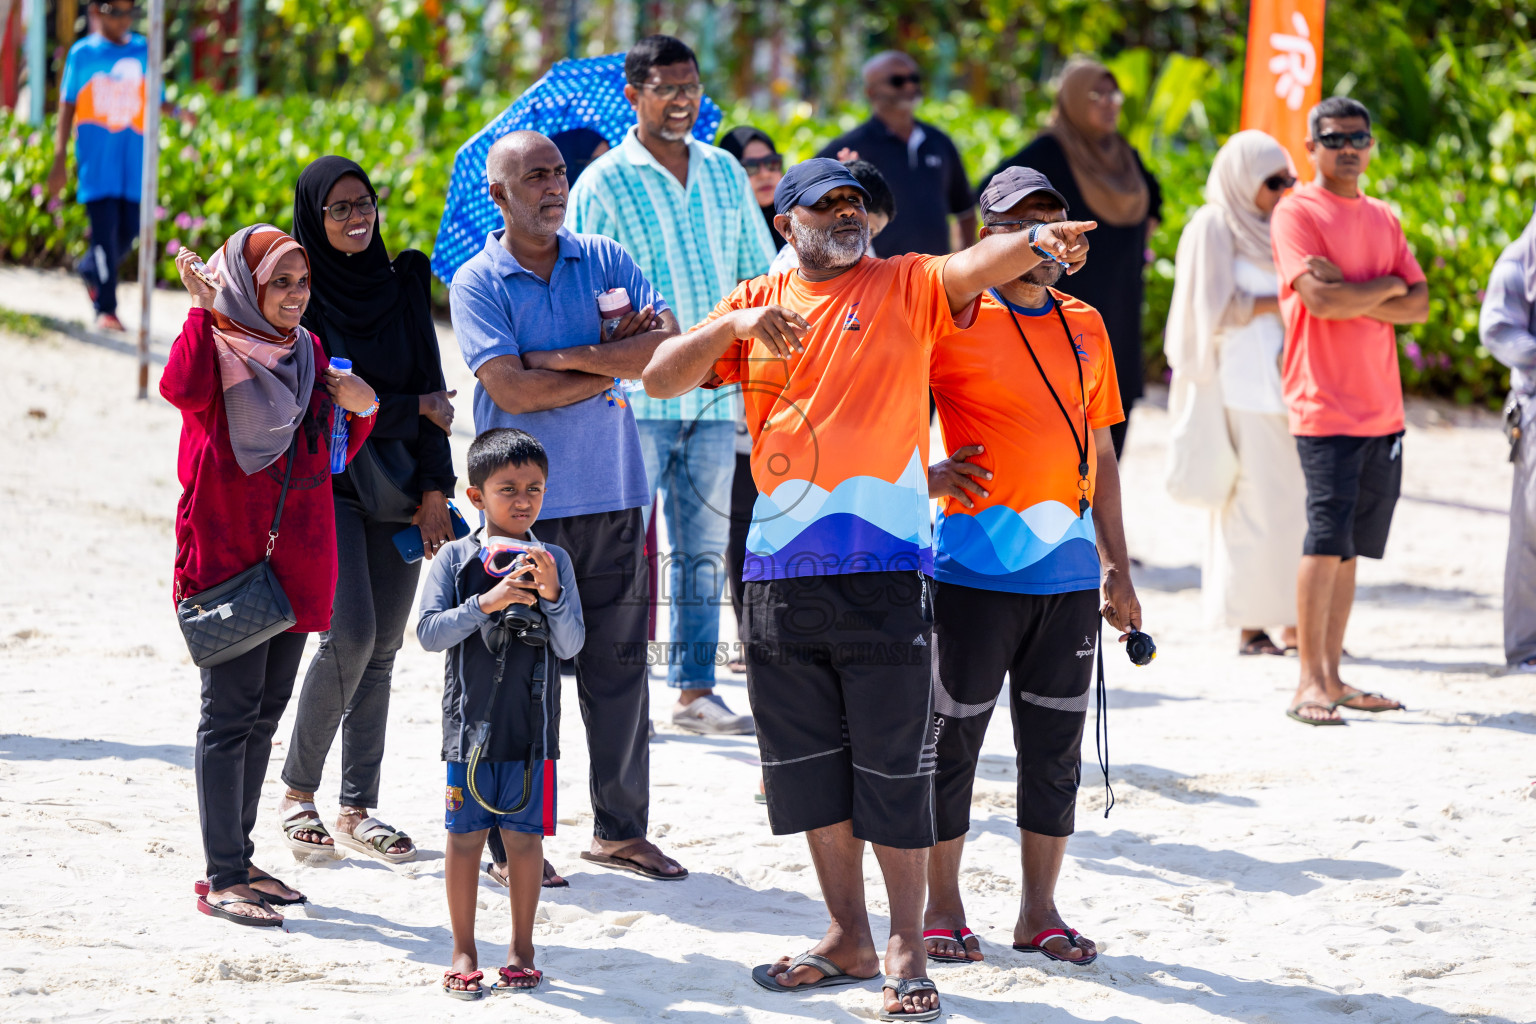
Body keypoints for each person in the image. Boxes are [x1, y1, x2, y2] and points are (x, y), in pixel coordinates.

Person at [643, 157, 1095, 1023]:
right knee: (809, 768)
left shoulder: (905, 284)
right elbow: (660, 376)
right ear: (788, 222)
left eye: (856, 203)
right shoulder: (758, 297)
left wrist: (1036, 238)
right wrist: (736, 325)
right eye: (827, 205)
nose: (847, 215)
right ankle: (847, 935)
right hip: (779, 571)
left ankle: (906, 945)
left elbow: (974, 265)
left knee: (894, 761)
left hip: (887, 570)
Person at [450, 129, 689, 881]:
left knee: (621, 673)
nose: (554, 187)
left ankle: (620, 830)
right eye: (534, 177)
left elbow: (664, 353)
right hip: (522, 513)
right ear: (499, 194)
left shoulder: (607, 258)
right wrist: (605, 364)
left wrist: (557, 357)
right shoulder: (477, 281)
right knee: (520, 679)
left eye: (558, 173)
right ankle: (512, 839)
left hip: (618, 495)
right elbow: (512, 394)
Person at [922, 167, 1136, 967]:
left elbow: (1103, 451)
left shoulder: (1086, 321)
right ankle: (942, 908)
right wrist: (926, 477)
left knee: (1055, 750)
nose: (1043, 234)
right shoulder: (954, 315)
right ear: (991, 237)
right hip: (973, 571)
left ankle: (1038, 912)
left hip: (1071, 574)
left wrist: (1119, 568)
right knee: (952, 747)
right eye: (1023, 223)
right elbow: (891, 410)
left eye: (1053, 218)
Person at [162, 226, 379, 926]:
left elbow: (329, 447)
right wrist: (200, 309)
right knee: (227, 717)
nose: (293, 295)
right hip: (226, 558)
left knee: (262, 716)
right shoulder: (216, 346)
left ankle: (241, 856)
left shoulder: (309, 352)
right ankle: (221, 874)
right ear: (247, 287)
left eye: (301, 282)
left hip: (296, 557)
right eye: (278, 282)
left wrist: (361, 404)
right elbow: (181, 389)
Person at [569, 35, 775, 734]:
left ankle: (694, 692)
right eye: (667, 88)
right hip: (633, 399)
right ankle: (619, 685)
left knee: (701, 548)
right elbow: (580, 286)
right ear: (633, 96)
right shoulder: (601, 183)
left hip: (716, 395)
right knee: (626, 548)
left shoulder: (723, 171)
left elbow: (758, 271)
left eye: (691, 87)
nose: (683, 100)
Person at [275, 156, 459, 865]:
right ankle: (297, 793)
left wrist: (437, 492)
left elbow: (433, 396)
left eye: (365, 204)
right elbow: (320, 406)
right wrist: (404, 407)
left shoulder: (405, 281)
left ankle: (357, 808)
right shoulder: (302, 296)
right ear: (314, 217)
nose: (357, 219)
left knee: (383, 649)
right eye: (340, 209)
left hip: (405, 488)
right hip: (334, 489)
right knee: (348, 636)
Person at [1271, 97, 1427, 725]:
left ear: (1371, 144)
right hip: (1325, 403)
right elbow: (1321, 303)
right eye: (1334, 138)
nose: (1348, 148)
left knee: (1351, 547)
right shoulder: (1296, 211)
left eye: (1358, 137)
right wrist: (1385, 286)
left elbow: (1417, 305)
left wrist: (1368, 288)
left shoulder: (1384, 216)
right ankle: (1307, 681)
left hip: (1382, 408)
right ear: (1311, 148)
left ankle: (1334, 677)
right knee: (1324, 537)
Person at [417, 428, 585, 999]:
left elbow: (570, 646)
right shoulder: (457, 559)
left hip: (532, 732)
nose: (522, 500)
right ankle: (463, 948)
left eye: (534, 489)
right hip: (468, 731)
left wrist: (553, 592)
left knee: (524, 841)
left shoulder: (552, 557)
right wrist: (487, 602)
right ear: (475, 496)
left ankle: (522, 948)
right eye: (507, 488)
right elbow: (428, 633)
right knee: (463, 839)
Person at [1165, 131, 1305, 656]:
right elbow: (1211, 308)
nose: (1283, 191)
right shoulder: (1214, 224)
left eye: (1289, 180)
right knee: (1249, 505)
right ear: (1244, 179)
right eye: (1273, 182)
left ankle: (1294, 621)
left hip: (1289, 382)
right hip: (1240, 383)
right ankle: (1250, 626)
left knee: (1294, 505)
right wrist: (1285, 301)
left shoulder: (1276, 226)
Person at [981, 58, 1161, 458]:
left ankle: (1099, 516)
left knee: (1114, 416)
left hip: (1121, 305)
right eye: (1096, 96)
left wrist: (1131, 252)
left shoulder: (1124, 155)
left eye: (1114, 95)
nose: (1109, 104)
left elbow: (1155, 202)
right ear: (1074, 99)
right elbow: (990, 197)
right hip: (1062, 305)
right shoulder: (1050, 150)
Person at [46, 0, 191, 332]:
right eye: (118, 12)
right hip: (97, 164)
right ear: (97, 11)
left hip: (134, 164)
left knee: (128, 232)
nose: (126, 19)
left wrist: (181, 112)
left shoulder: (143, 49)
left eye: (130, 12)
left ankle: (89, 270)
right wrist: (58, 158)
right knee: (104, 234)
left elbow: (156, 99)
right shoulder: (82, 54)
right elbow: (67, 107)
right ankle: (106, 308)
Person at [816, 51, 974, 258]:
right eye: (897, 81)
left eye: (914, 79)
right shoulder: (847, 149)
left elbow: (964, 210)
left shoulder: (940, 143)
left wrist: (965, 262)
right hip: (875, 282)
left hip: (938, 279)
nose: (909, 86)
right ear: (871, 92)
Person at [1479, 206, 1536, 672]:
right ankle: (1527, 649)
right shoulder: (1520, 257)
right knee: (1532, 533)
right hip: (1535, 407)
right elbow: (1496, 329)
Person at [768, 159, 897, 275]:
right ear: (787, 227)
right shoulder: (778, 280)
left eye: (853, 199)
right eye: (824, 201)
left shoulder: (897, 274)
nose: (848, 210)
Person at [719, 125, 786, 249]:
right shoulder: (721, 235)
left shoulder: (800, 222)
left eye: (772, 162)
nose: (765, 174)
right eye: (750, 167)